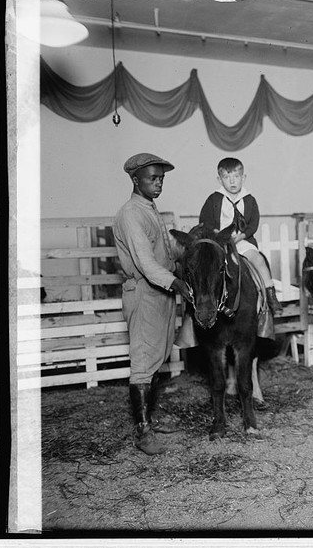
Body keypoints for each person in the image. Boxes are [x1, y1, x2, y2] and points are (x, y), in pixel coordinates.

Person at [113, 153, 192, 455]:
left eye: (161, 178)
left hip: (160, 292)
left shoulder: (150, 209)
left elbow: (166, 252)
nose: (159, 183)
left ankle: (149, 420)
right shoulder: (131, 213)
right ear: (135, 180)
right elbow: (146, 263)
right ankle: (143, 432)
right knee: (144, 360)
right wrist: (178, 284)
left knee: (157, 355)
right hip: (145, 292)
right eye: (152, 178)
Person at [199, 157, 283, 316]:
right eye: (226, 177)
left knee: (258, 260)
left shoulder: (249, 200)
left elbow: (253, 223)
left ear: (243, 178)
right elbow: (205, 221)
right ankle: (209, 299)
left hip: (242, 241)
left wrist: (241, 236)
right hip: (220, 243)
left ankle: (271, 297)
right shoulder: (214, 199)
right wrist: (218, 234)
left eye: (236, 177)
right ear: (219, 179)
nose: (232, 181)